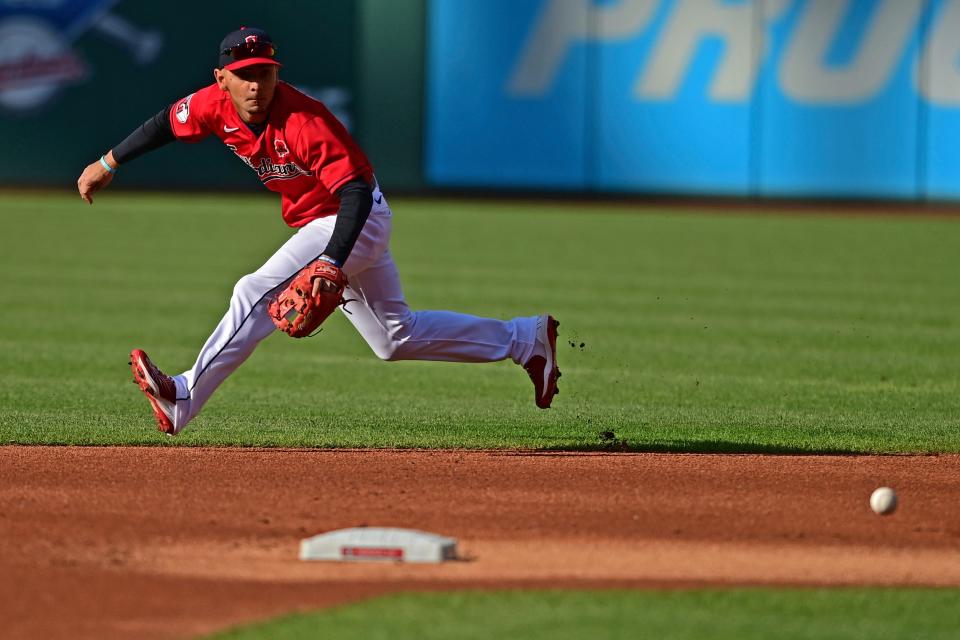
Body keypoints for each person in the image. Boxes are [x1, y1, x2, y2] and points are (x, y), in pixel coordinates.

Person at [76, 27, 560, 435]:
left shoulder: (304, 120)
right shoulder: (211, 106)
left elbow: (354, 192)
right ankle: (523, 339)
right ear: (221, 79)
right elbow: (165, 123)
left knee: (254, 291)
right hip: (327, 220)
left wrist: (330, 261)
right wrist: (108, 162)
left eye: (264, 73)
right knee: (394, 338)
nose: (255, 85)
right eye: (244, 75)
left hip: (356, 217)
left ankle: (183, 396)